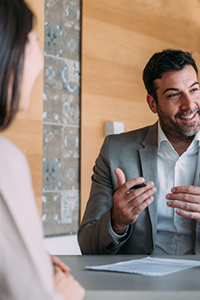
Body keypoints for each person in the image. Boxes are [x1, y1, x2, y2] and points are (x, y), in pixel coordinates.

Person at [78, 49, 200, 255]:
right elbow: (88, 246)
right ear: (153, 103)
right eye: (173, 95)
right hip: (140, 283)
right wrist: (117, 221)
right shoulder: (115, 151)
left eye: (194, 90)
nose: (189, 104)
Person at [0, 1, 85, 299]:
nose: (40, 59)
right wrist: (60, 293)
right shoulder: (4, 162)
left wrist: (29, 259)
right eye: (33, 39)